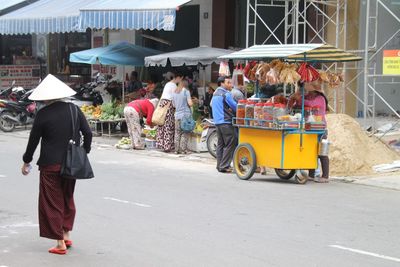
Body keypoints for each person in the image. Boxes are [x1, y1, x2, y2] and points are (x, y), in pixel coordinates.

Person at [21, 74, 92, 255]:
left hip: (50, 166)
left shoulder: (43, 114)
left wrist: (26, 160)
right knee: (67, 197)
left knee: (52, 201)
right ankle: (66, 234)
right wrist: (84, 151)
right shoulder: (74, 110)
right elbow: (88, 133)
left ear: (45, 96)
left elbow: (33, 141)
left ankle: (60, 243)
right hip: (71, 164)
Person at [293, 81, 330, 183]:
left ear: (315, 90)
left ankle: (325, 176)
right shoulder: (307, 97)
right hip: (309, 127)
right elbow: (300, 104)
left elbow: (312, 105)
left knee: (322, 152)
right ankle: (311, 175)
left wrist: (300, 99)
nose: (308, 93)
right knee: (311, 151)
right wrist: (296, 99)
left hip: (320, 128)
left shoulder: (320, 99)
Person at [211, 76, 237, 173]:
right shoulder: (226, 94)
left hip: (217, 122)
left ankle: (219, 165)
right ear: (222, 83)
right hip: (226, 122)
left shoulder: (215, 93)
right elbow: (235, 106)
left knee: (220, 144)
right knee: (231, 143)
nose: (230, 85)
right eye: (228, 82)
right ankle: (225, 166)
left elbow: (211, 105)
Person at [156, 72, 184, 152]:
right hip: (168, 105)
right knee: (168, 126)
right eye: (180, 79)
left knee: (162, 125)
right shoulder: (173, 85)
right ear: (178, 77)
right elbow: (174, 98)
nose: (180, 81)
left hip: (162, 104)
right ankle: (167, 146)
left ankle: (162, 144)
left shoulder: (168, 84)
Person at [172, 79, 193, 154]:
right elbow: (190, 103)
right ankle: (183, 150)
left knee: (177, 132)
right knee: (185, 132)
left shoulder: (174, 93)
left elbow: (174, 105)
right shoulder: (186, 92)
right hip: (185, 115)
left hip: (177, 116)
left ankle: (176, 150)